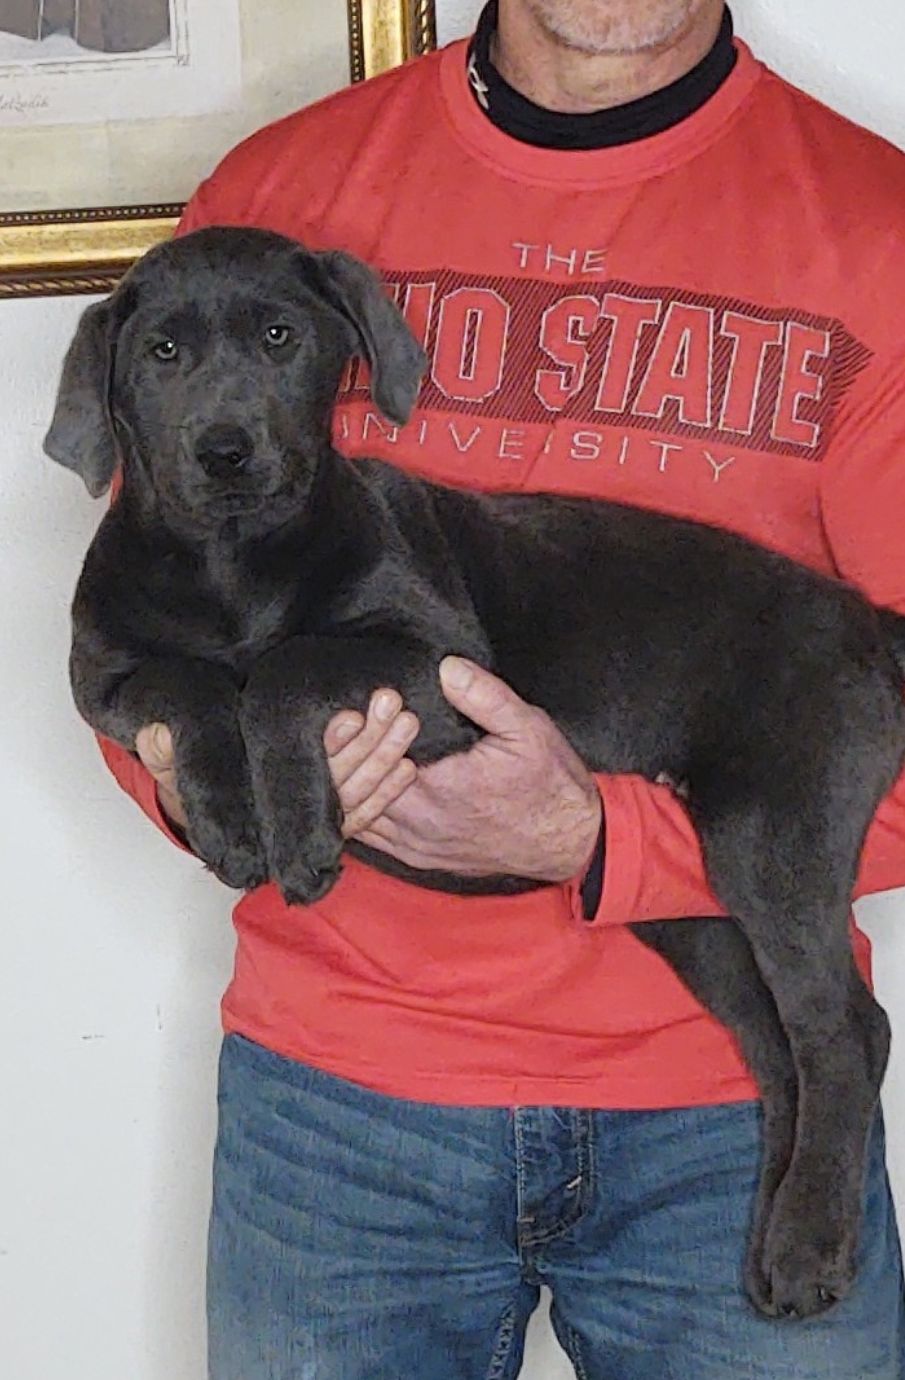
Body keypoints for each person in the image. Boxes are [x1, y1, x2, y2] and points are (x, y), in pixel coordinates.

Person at [98, 2, 905, 1376]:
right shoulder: (281, 193)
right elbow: (161, 588)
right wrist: (194, 779)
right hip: (338, 1113)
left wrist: (603, 841)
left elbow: (874, 693)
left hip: (725, 1109)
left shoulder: (877, 234)